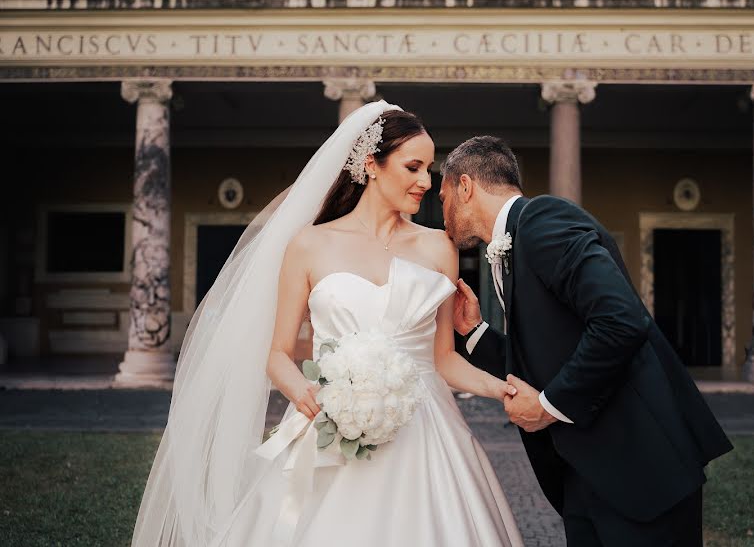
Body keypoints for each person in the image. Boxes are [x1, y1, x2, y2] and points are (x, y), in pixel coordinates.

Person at [129, 102, 523, 546]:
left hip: (428, 429)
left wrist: (502, 388)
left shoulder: (440, 248)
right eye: (414, 167)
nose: (426, 183)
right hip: (335, 423)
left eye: (429, 169)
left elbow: (444, 361)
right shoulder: (310, 245)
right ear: (372, 165)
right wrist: (307, 394)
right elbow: (278, 354)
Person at [441, 136, 734, 546]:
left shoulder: (544, 219)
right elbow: (544, 355)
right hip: (585, 472)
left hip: (641, 468)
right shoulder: (514, 245)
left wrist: (547, 406)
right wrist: (474, 332)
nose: (443, 214)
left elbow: (621, 320)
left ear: (466, 186)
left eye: (443, 197)